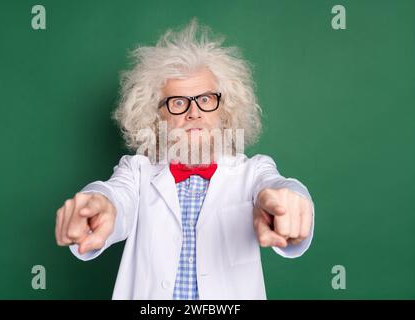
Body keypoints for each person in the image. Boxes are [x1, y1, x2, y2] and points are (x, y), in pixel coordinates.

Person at [54, 19, 314, 300]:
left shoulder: (252, 171)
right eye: (178, 102)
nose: (194, 113)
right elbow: (116, 196)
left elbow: (276, 187)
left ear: (224, 110)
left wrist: (289, 202)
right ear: (156, 116)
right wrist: (98, 204)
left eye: (205, 99)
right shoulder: (137, 171)